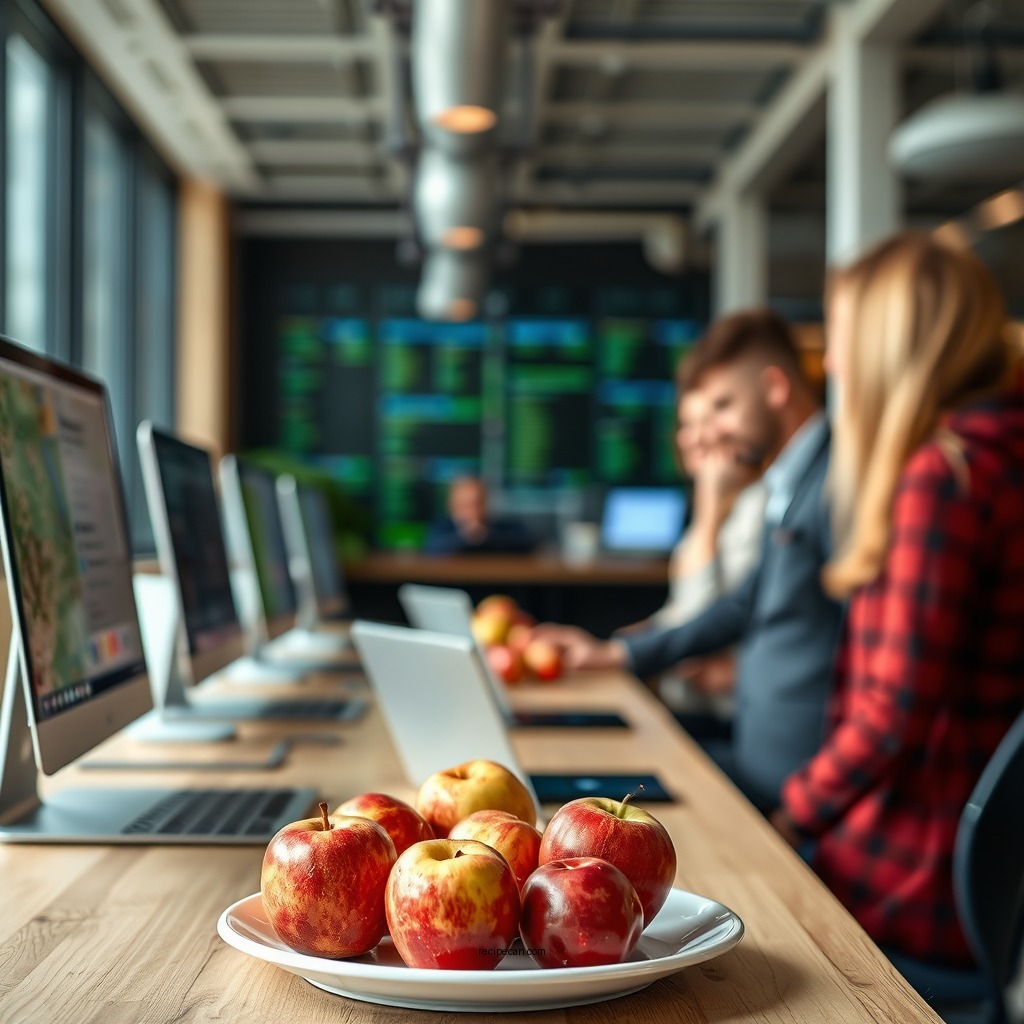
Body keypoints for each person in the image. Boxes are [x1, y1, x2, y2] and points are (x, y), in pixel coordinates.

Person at [771, 231, 1024, 972]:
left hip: (909, 881)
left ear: (889, 347)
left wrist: (790, 813)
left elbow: (891, 714)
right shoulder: (1006, 452)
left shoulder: (946, 474)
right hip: (989, 888)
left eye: (842, 337)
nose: (833, 363)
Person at [534, 309, 845, 810]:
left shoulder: (835, 478)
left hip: (797, 785)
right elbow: (742, 606)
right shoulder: (790, 482)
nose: (710, 433)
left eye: (723, 406)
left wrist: (809, 808)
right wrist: (619, 653)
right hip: (767, 764)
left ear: (775, 388)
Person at [641, 363, 766, 726]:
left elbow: (696, 626)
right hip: (692, 713)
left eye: (707, 422)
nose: (691, 439)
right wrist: (615, 647)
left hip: (725, 723)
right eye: (686, 424)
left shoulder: (758, 510)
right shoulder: (725, 508)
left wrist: (709, 506)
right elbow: (678, 616)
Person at [425, 476, 536, 555]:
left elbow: (528, 545)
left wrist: (486, 536)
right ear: (451, 506)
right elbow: (431, 550)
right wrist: (466, 537)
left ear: (486, 504)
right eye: (464, 505)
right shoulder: (441, 529)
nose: (472, 512)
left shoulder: (506, 528)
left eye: (476, 504)